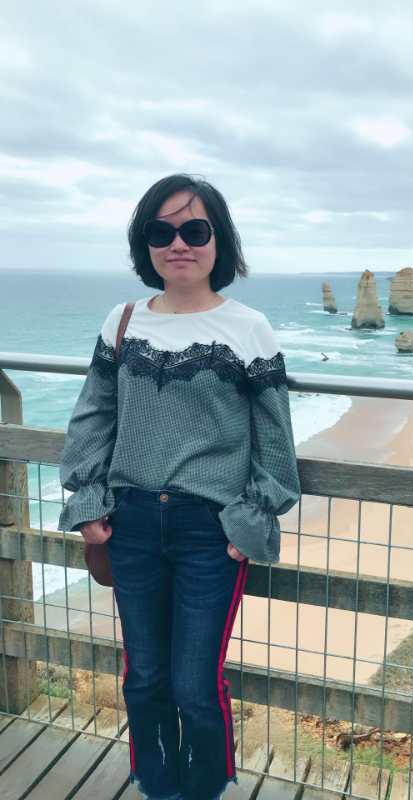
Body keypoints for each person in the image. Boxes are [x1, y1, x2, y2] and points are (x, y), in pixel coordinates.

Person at [58, 174, 301, 800]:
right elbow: (93, 417)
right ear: (145, 244)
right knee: (144, 677)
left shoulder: (249, 329)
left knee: (196, 685)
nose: (179, 244)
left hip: (209, 530)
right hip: (131, 521)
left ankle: (204, 787)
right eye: (161, 232)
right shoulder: (123, 321)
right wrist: (88, 502)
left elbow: (275, 443)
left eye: (195, 230)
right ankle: (157, 785)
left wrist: (249, 524)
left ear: (220, 240)